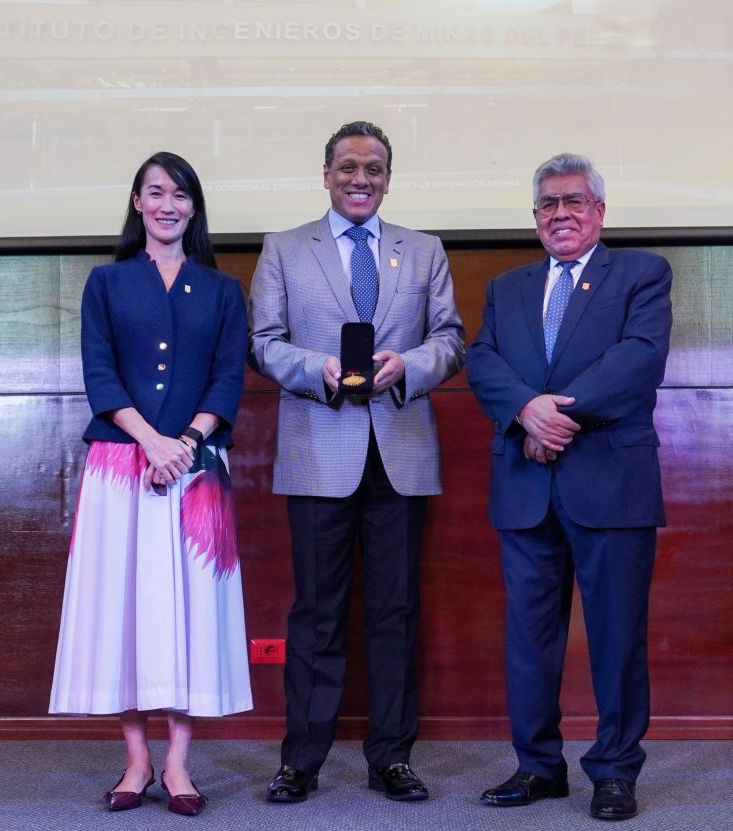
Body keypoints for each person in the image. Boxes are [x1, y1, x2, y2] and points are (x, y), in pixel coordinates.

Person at [250, 121, 464, 803]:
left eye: (374, 167)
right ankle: (301, 760)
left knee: (395, 610)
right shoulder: (284, 248)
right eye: (348, 166)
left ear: (389, 178)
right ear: (326, 174)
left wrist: (411, 365)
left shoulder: (424, 250)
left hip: (402, 448)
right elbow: (265, 343)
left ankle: (392, 758)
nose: (360, 178)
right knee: (317, 612)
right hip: (319, 449)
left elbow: (450, 339)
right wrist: (320, 368)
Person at [465, 153, 672, 821]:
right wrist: (524, 410)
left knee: (616, 635)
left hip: (611, 482)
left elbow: (639, 358)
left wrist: (553, 417)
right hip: (524, 484)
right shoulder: (508, 287)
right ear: (535, 217)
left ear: (599, 211)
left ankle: (614, 770)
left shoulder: (641, 273)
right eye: (548, 204)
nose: (561, 213)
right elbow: (482, 360)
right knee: (530, 637)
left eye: (574, 201)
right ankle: (537, 766)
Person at [49, 151, 251, 818]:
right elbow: (100, 374)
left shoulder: (222, 290)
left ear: (194, 207)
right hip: (121, 464)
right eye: (156, 192)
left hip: (197, 471)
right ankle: (136, 760)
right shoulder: (107, 283)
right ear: (137, 202)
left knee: (190, 613)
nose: (169, 204)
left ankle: (178, 763)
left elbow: (227, 378)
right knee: (125, 608)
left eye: (180, 194)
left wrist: (184, 442)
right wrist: (150, 441)